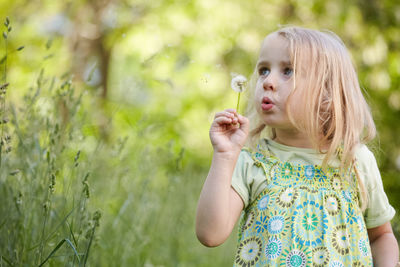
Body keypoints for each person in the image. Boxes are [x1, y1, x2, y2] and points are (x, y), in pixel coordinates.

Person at [196, 26, 399, 266]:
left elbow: (381, 236)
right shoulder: (253, 162)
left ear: (327, 92)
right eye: (263, 70)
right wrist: (224, 155)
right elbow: (210, 234)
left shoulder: (354, 162)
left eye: (288, 71)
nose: (267, 81)